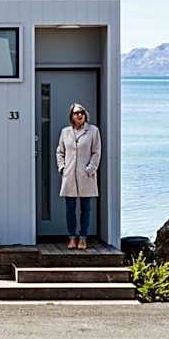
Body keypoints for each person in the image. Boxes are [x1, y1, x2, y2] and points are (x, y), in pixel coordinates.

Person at [56, 103, 101, 250]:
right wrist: (62, 168)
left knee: (85, 209)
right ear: (71, 116)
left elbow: (96, 152)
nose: (79, 115)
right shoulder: (65, 132)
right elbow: (60, 152)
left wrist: (91, 169)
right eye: (76, 113)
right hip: (69, 176)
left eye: (81, 112)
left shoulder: (93, 131)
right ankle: (71, 238)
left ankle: (83, 238)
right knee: (70, 209)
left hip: (86, 176)